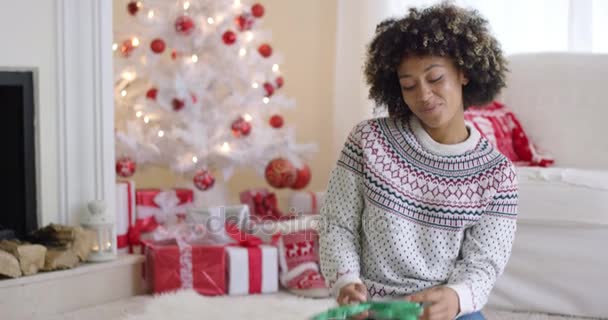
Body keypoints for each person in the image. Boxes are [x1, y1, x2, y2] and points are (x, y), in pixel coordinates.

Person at [318, 2, 517, 320]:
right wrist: (346, 282)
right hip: (372, 307)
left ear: (464, 72)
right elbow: (337, 225)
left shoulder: (497, 174)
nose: (423, 94)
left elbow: (484, 263)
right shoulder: (367, 140)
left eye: (435, 78)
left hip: (444, 311)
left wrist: (455, 297)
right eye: (409, 85)